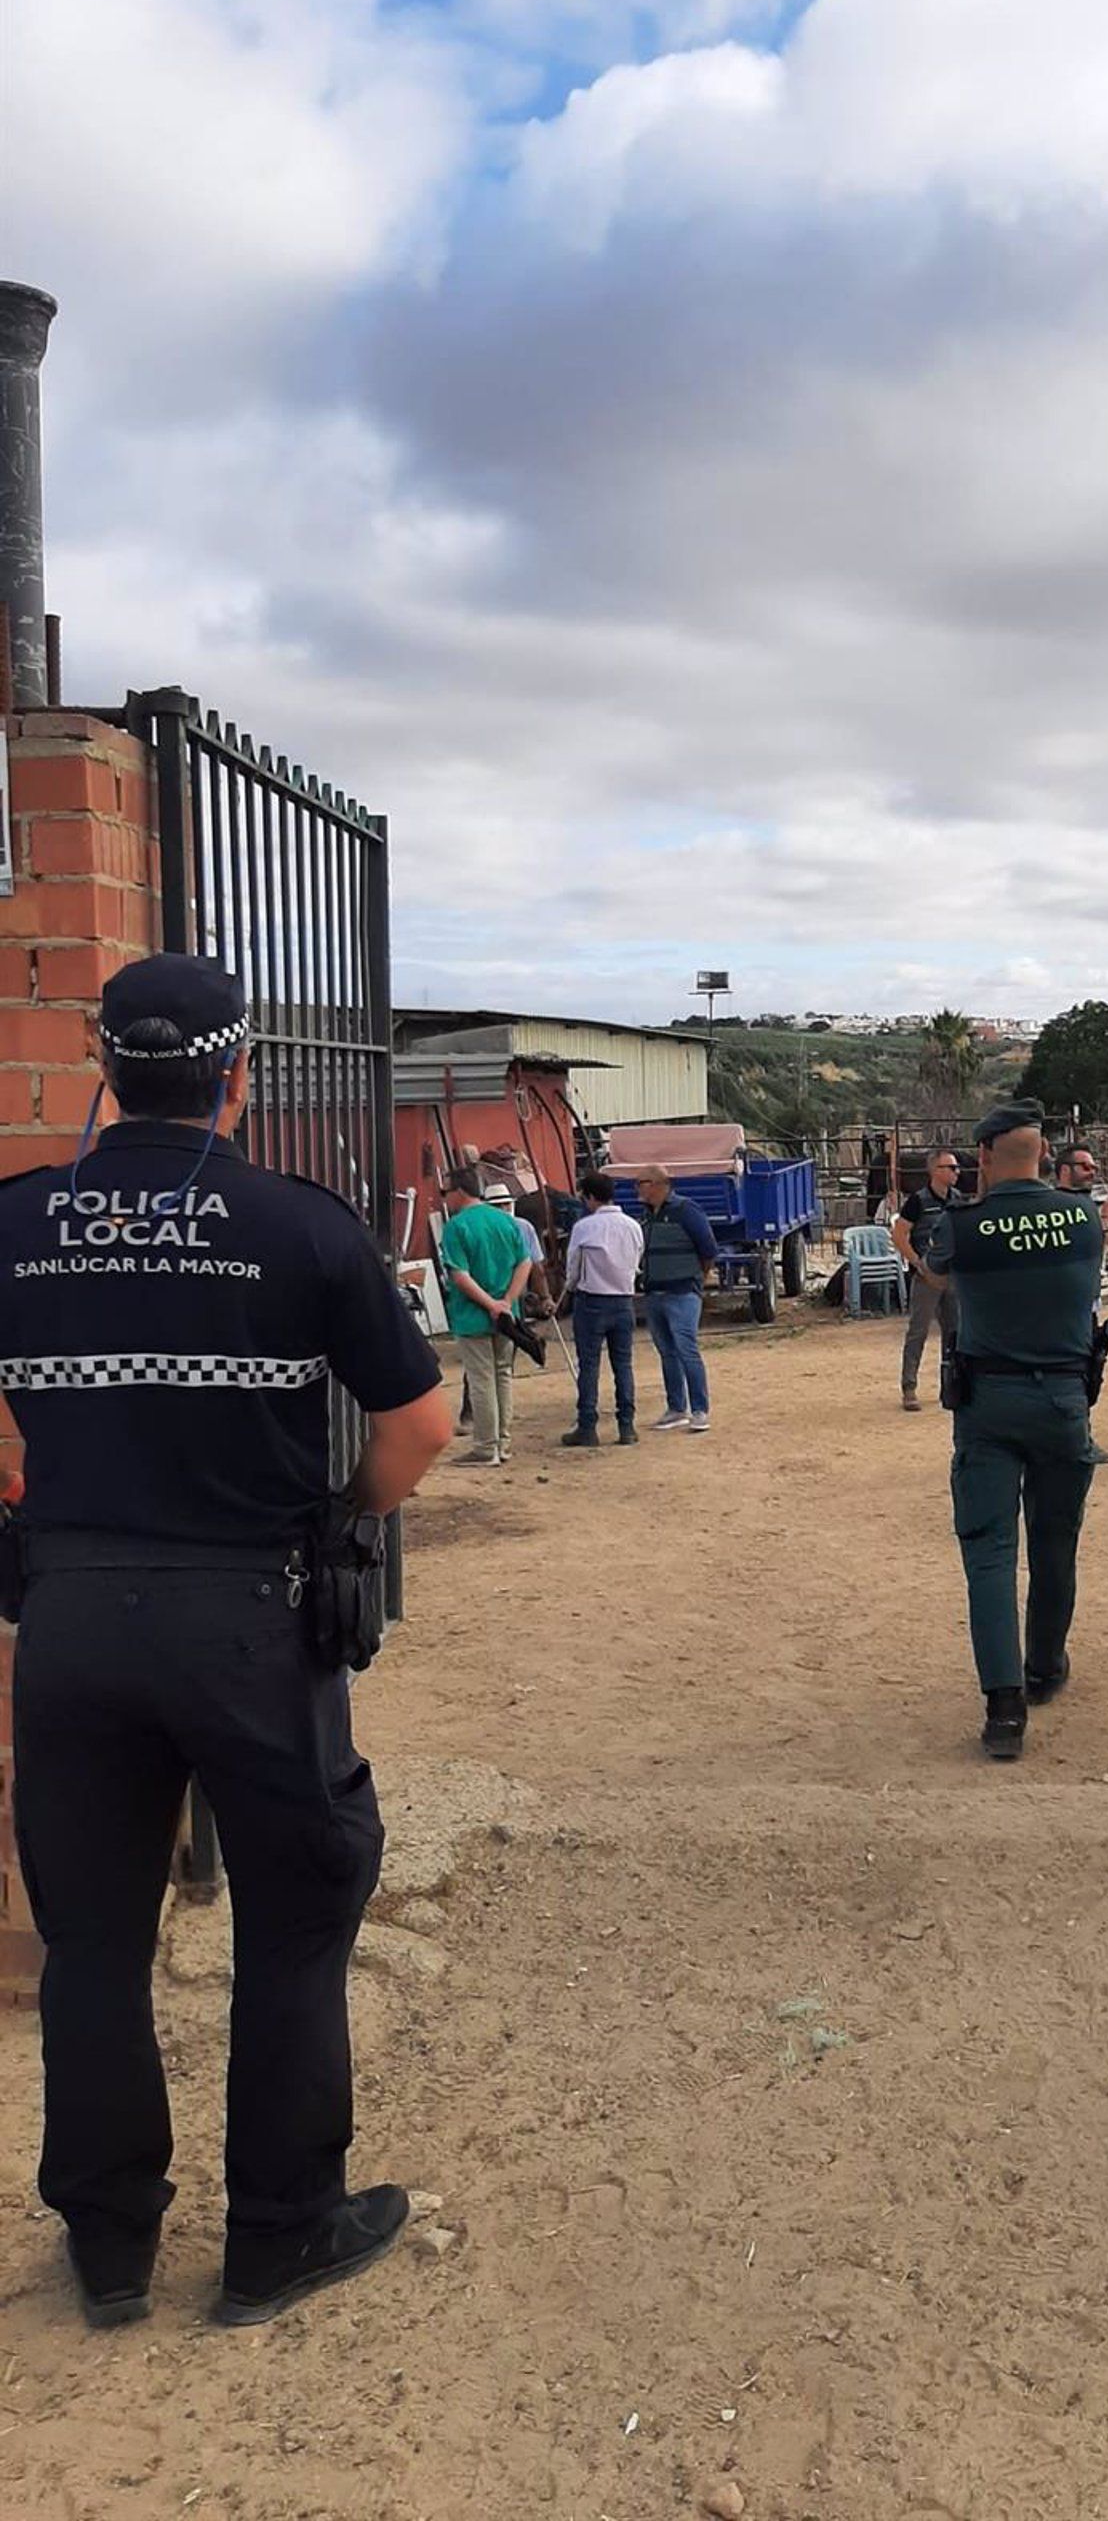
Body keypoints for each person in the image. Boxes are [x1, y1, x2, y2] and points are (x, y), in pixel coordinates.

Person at [0, 953, 451, 2328]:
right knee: (297, 1923)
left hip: (68, 1619)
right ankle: (277, 2236)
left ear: (102, 1064)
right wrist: (333, 1520)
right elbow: (418, 1427)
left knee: (88, 1941)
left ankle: (112, 2243)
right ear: (239, 1078)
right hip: (251, 1614)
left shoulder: (17, 1221)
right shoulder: (299, 1227)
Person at [922, 1101, 1104, 1760]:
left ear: (988, 1157)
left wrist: (909, 1242)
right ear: (1043, 1153)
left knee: (990, 1553)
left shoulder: (964, 1223)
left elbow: (938, 1274)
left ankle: (1004, 1709)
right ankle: (1045, 1665)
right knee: (1056, 1543)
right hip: (1063, 1397)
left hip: (989, 1403)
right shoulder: (1083, 1217)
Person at [439, 1170, 530, 1467]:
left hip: (472, 1315)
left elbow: (459, 1274)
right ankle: (502, 1443)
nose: (445, 1197)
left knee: (481, 1379)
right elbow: (524, 1263)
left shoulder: (456, 1226)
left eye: (445, 1191)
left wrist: (489, 1304)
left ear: (460, 1191)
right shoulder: (505, 1221)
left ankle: (485, 1446)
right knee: (503, 1375)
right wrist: (506, 1302)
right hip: (507, 1315)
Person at [559, 1171, 644, 1449]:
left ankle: (587, 1425)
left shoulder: (585, 1227)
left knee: (589, 1365)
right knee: (623, 1364)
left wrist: (569, 1289)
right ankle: (626, 1425)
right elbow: (637, 1258)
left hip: (592, 1299)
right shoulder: (632, 1225)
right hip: (623, 1299)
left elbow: (572, 1266)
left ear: (591, 1197)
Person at [634, 1161, 718, 1432]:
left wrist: (697, 1280)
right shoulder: (646, 1215)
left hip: (682, 1292)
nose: (637, 1188)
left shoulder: (686, 1211)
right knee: (667, 1352)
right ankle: (676, 1408)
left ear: (658, 1185)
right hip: (655, 1292)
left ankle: (700, 1409)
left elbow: (708, 1249)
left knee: (686, 1348)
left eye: (641, 1183)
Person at [1053, 1144, 1108, 1465]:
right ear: (1065, 1170)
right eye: (1085, 1166)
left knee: (1088, 1369)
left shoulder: (1079, 1203)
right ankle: (1079, 1441)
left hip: (1086, 1299)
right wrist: (1105, 1223)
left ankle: (1078, 1437)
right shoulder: (1063, 1206)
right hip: (1070, 1303)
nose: (1092, 1171)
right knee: (1078, 1372)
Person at [892, 1148, 961, 1412]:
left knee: (953, 1333)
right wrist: (918, 1263)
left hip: (953, 1276)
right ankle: (909, 1387)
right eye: (950, 1168)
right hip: (927, 1277)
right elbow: (898, 1235)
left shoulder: (957, 1200)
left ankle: (950, 1386)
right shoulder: (918, 1201)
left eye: (956, 1168)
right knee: (918, 1332)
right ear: (935, 1171)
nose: (956, 1172)